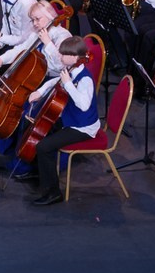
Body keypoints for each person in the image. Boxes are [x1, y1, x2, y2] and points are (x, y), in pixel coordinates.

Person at [24, 35, 103, 205]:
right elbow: (55, 81)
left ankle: (53, 193)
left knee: (44, 146)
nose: (60, 56)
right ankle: (40, 172)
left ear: (74, 57)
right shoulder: (71, 69)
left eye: (63, 54)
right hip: (71, 119)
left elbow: (83, 105)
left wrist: (68, 84)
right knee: (40, 130)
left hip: (83, 127)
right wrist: (40, 92)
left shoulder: (85, 79)